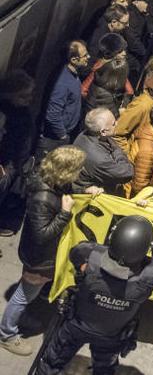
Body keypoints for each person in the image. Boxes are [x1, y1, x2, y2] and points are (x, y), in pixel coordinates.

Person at [0, 146, 98, 356]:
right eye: (78, 169)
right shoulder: (43, 198)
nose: (81, 173)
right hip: (39, 259)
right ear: (65, 170)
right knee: (22, 296)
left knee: (26, 292)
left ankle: (19, 319)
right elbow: (42, 234)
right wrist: (64, 214)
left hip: (43, 257)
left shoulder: (54, 183)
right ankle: (6, 334)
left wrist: (84, 190)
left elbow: (67, 192)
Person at [32, 216, 153, 373]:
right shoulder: (151, 274)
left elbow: (75, 253)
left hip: (76, 326)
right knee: (104, 370)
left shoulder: (92, 254)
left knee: (50, 364)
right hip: (112, 335)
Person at [36, 41, 89, 160]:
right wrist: (63, 135)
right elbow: (52, 114)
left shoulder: (73, 74)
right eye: (85, 55)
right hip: (53, 139)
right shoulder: (61, 83)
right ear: (74, 60)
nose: (88, 57)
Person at [73, 108, 134, 196]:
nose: (117, 123)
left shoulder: (87, 133)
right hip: (94, 196)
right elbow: (127, 173)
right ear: (103, 132)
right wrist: (118, 153)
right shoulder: (99, 159)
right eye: (113, 123)